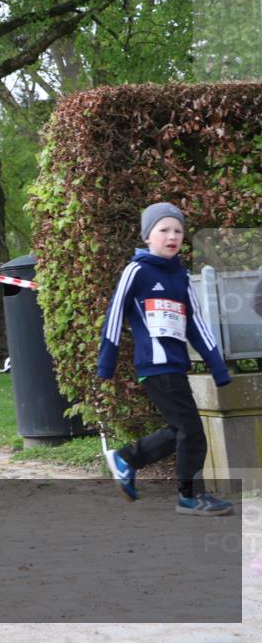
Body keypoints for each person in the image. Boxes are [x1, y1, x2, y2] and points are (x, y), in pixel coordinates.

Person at [99, 202, 233, 516]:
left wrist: (217, 366)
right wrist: (107, 362)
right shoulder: (137, 271)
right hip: (155, 365)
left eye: (178, 230)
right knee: (192, 431)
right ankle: (190, 496)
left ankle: (127, 458)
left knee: (180, 429)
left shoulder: (182, 277)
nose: (172, 236)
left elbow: (198, 326)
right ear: (148, 236)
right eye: (164, 230)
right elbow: (115, 315)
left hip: (176, 365)